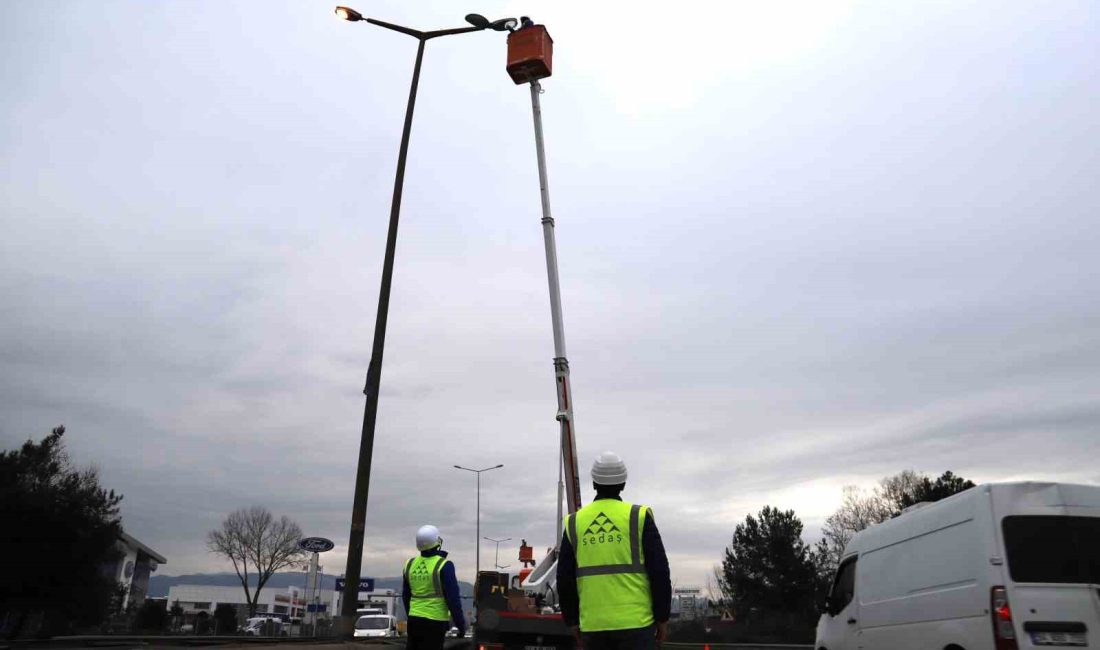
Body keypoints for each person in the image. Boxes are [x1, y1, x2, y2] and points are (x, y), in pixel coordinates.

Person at [557, 451, 672, 650]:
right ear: (623, 483)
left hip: (593, 626)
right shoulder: (638, 517)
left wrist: (573, 622)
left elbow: (564, 579)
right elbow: (660, 572)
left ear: (594, 483)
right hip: (637, 625)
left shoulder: (575, 522)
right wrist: (662, 618)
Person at [402, 525, 467, 650]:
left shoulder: (409, 564)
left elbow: (406, 596)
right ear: (437, 542)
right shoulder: (444, 565)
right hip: (435, 622)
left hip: (414, 621)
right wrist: (460, 625)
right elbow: (453, 599)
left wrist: (411, 616)